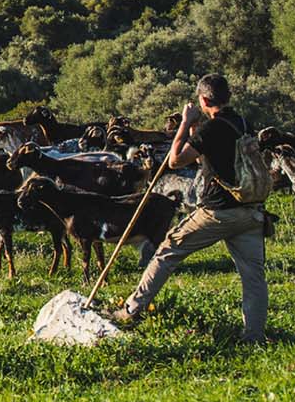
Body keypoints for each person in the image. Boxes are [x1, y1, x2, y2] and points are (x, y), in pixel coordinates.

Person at [112, 73, 268, 342]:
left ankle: (131, 310)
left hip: (218, 212)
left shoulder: (212, 129)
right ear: (228, 96)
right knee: (253, 277)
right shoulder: (243, 124)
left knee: (167, 251)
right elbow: (207, 158)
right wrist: (196, 129)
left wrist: (184, 124)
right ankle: (254, 335)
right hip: (251, 210)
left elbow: (175, 161)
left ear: (204, 100)